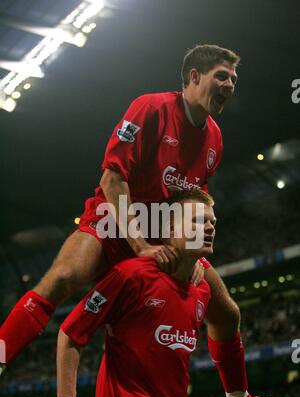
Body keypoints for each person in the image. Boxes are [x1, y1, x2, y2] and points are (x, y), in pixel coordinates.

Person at [0, 44, 240, 368]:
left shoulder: (215, 138)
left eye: (234, 79)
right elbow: (112, 180)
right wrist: (139, 243)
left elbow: (192, 203)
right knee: (62, 278)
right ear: (194, 77)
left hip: (159, 231)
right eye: (222, 76)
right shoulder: (151, 107)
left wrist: (191, 250)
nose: (230, 85)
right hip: (113, 219)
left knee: (226, 311)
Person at [55, 190, 290, 397]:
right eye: (198, 221)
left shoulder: (202, 291)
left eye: (212, 222)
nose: (210, 227)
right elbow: (71, 332)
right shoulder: (130, 276)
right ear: (170, 227)